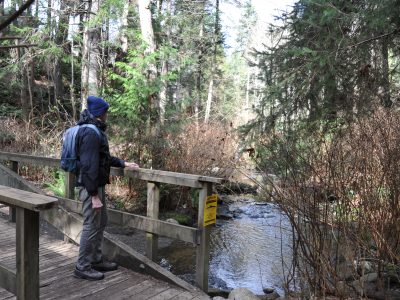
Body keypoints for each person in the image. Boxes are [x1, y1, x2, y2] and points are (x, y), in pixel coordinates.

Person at [73, 96, 139, 280]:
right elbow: (88, 165)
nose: (107, 114)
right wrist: (93, 194)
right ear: (101, 113)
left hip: (95, 185)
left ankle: (95, 259)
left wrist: (124, 163)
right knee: (91, 225)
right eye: (106, 111)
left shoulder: (94, 130)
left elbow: (103, 158)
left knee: (101, 222)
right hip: (90, 187)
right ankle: (82, 266)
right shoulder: (91, 133)